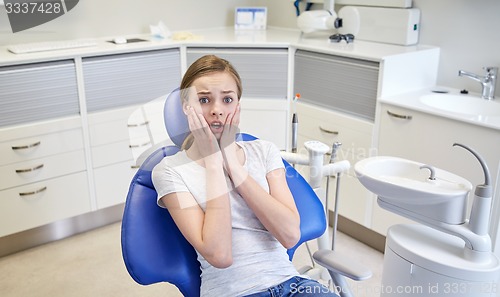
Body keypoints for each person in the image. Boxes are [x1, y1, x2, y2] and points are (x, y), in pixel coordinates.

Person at [152, 55, 339, 297]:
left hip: (292, 285)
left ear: (237, 106)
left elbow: (290, 235)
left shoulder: (264, 151)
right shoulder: (169, 171)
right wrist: (212, 163)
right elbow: (220, 255)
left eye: (227, 99)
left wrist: (233, 165)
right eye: (204, 100)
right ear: (187, 107)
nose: (217, 110)